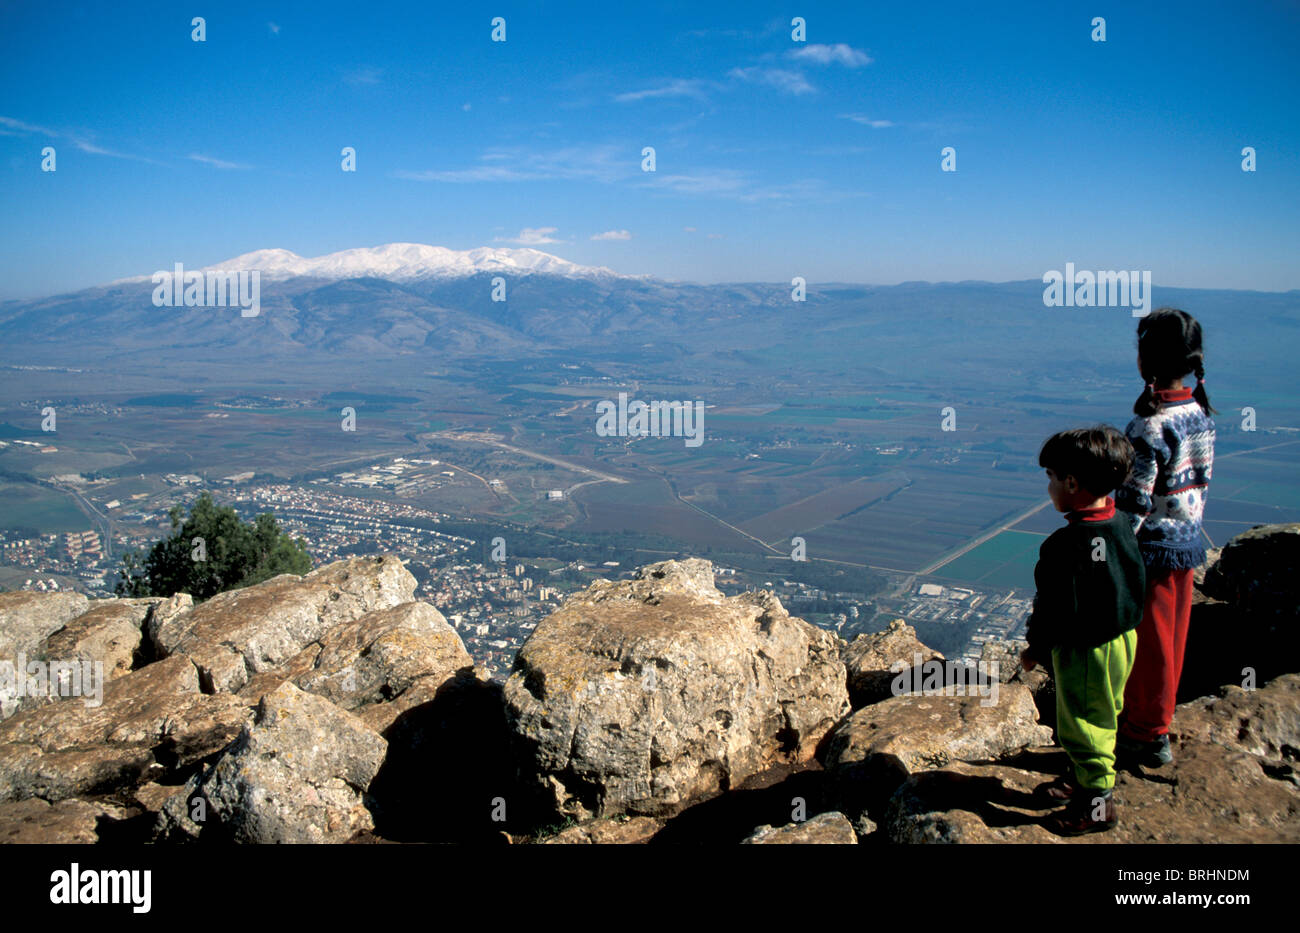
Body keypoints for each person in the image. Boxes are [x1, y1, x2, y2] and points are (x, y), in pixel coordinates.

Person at [1020, 426, 1145, 835]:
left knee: (1083, 724)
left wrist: (1036, 645)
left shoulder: (1066, 544)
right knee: (1101, 713)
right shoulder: (1121, 521)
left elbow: (1052, 606)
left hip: (1086, 649)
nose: (1050, 486)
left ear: (1072, 483)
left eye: (1052, 477)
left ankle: (1097, 805)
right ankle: (1082, 779)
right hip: (1122, 640)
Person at [1114, 308, 1217, 768]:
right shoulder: (1199, 413)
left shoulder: (1149, 427)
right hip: (1186, 543)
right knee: (1171, 641)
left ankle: (1146, 734)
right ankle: (1157, 723)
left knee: (1147, 648)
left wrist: (1111, 547)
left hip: (1151, 552)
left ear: (1146, 360)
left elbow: (1135, 501)